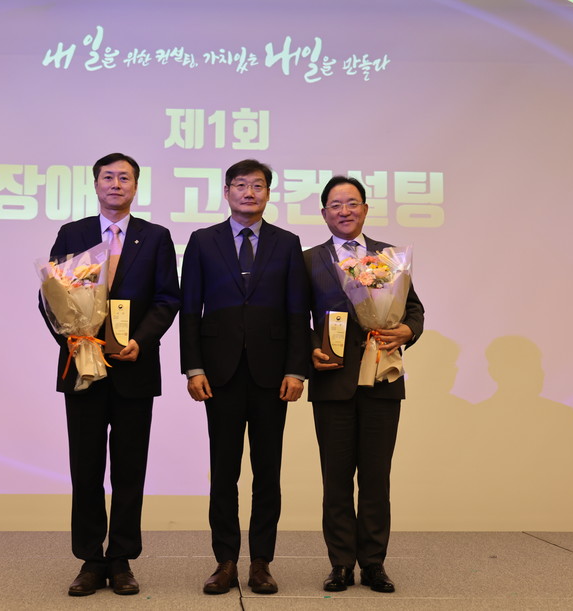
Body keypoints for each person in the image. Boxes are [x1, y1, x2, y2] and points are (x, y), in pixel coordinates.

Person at [39, 153, 181, 597]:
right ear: (96, 184)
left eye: (124, 178)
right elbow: (51, 296)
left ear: (136, 186)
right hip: (84, 367)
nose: (116, 184)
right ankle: (90, 559)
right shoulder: (73, 233)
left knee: (129, 468)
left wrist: (142, 340)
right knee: (85, 468)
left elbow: (167, 298)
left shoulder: (155, 237)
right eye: (108, 177)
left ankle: (121, 559)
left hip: (135, 367)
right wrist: (73, 338)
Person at [179, 159, 309, 595]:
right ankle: (225, 561)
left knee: (267, 472)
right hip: (220, 373)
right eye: (240, 185)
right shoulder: (203, 241)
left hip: (273, 375)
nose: (249, 192)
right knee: (224, 472)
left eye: (257, 185)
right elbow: (190, 310)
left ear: (268, 193)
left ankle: (261, 563)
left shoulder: (287, 243)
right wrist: (194, 368)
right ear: (226, 192)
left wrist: (296, 368)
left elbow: (297, 311)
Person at [304, 175, 424, 594]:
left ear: (365, 209)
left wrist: (407, 331)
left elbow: (414, 310)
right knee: (336, 479)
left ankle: (374, 564)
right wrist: (310, 348)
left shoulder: (389, 258)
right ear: (324, 213)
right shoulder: (307, 260)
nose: (345, 211)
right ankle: (340, 563)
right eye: (336, 205)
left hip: (382, 378)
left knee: (376, 477)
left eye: (352, 203)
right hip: (333, 381)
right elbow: (294, 318)